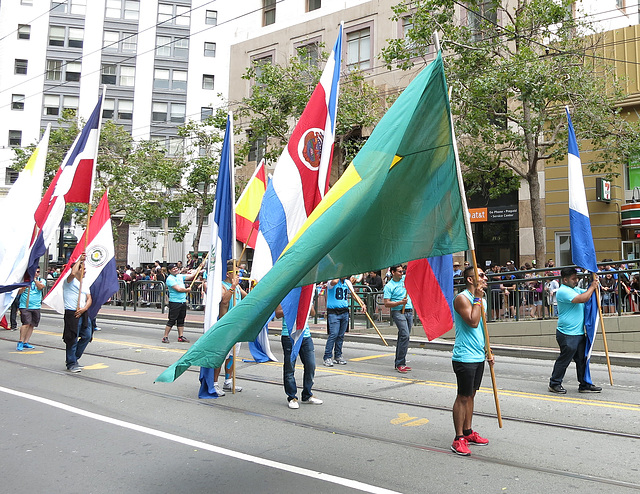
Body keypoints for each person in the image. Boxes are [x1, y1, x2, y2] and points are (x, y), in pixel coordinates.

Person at [450, 266, 493, 456]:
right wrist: (477, 297)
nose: (485, 278)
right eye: (481, 275)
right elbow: (472, 321)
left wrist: (488, 351)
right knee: (463, 396)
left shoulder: (480, 299)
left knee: (472, 395)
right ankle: (458, 438)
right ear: (470, 279)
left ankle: (468, 432)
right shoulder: (462, 299)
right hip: (464, 356)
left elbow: (482, 327)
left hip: (478, 355)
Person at [548, 267, 602, 394]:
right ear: (565, 279)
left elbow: (589, 294)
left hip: (578, 333)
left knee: (582, 359)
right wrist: (591, 287)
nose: (576, 280)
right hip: (567, 334)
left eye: (576, 278)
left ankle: (584, 384)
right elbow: (583, 298)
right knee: (565, 359)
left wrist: (595, 284)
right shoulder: (563, 291)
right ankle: (554, 383)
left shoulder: (574, 289)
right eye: (573, 279)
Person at [199, 261, 247, 396]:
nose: (239, 275)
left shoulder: (237, 287)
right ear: (228, 274)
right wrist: (232, 286)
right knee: (221, 356)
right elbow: (224, 301)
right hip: (225, 325)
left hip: (236, 326)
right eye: (236, 273)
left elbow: (247, 297)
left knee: (232, 355)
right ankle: (214, 383)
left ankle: (228, 381)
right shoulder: (222, 286)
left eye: (239, 273)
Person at [277, 304, 323, 409]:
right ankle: (292, 397)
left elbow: (313, 312)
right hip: (289, 334)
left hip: (305, 335)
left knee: (311, 364)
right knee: (289, 367)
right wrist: (292, 308)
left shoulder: (305, 293)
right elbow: (278, 314)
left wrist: (307, 304)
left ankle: (307, 394)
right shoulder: (285, 294)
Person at [62, 254, 93, 372]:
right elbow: (73, 273)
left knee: (87, 335)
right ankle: (71, 363)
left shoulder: (84, 283)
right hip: (72, 313)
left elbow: (89, 298)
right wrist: (80, 260)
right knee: (72, 338)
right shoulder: (68, 281)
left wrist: (84, 308)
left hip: (83, 312)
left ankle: (74, 358)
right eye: (83, 268)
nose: (85, 271)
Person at [384, 265, 413, 373]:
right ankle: (400, 363)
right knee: (405, 334)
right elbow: (386, 303)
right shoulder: (389, 286)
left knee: (404, 337)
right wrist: (399, 303)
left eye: (402, 271)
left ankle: (400, 362)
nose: (401, 273)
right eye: (399, 272)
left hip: (409, 311)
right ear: (393, 272)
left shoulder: (405, 279)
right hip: (398, 312)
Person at [162, 263, 196, 343]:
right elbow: (178, 289)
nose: (176, 269)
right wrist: (187, 290)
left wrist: (199, 268)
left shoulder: (180, 276)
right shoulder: (170, 279)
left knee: (181, 319)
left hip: (182, 301)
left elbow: (191, 276)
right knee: (172, 320)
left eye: (176, 268)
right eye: (173, 269)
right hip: (175, 302)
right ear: (169, 271)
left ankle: (180, 336)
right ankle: (165, 336)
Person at [323, 278, 351, 367]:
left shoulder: (347, 282)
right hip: (333, 312)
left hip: (344, 311)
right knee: (333, 334)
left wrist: (362, 303)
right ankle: (327, 356)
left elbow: (353, 294)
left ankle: (338, 355)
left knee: (341, 335)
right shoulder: (331, 281)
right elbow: (334, 282)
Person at [16, 268, 45, 350]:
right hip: (25, 306)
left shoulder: (41, 280)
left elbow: (40, 287)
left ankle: (26, 342)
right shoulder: (25, 281)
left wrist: (34, 280)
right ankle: (21, 341)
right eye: (34, 271)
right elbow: (18, 292)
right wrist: (23, 288)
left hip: (36, 306)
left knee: (32, 324)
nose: (36, 273)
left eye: (38, 272)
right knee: (26, 323)